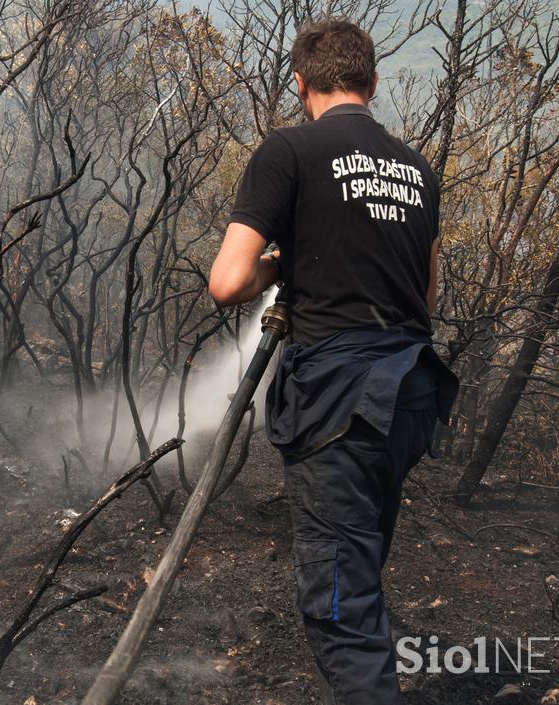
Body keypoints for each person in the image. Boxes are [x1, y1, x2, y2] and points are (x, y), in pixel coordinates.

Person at [207, 17, 459, 705]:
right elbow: (424, 297)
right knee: (360, 569)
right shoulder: (418, 169)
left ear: (300, 83)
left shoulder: (289, 151)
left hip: (339, 404)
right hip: (407, 395)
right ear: (372, 84)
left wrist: (274, 267)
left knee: (340, 608)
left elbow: (227, 281)